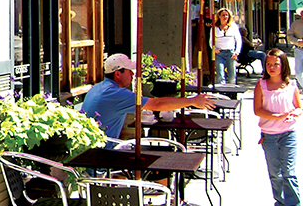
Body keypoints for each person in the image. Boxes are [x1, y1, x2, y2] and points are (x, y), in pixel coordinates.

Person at [80, 53, 215, 143]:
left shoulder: (98, 87)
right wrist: (192, 101)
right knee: (160, 169)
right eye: (129, 71)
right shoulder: (117, 94)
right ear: (118, 74)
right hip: (104, 153)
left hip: (93, 148)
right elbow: (157, 104)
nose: (133, 74)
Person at [253, 48, 302, 206]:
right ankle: (280, 205)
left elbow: (298, 107)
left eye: (276, 64)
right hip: (269, 136)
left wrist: (293, 114)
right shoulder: (262, 85)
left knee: (289, 172)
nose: (272, 67)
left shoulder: (291, 84)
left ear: (283, 65)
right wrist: (276, 116)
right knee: (275, 173)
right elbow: (257, 110)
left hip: (288, 134)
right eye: (269, 64)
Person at [211, 7, 242, 85]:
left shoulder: (233, 27)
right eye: (223, 15)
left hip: (230, 52)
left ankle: (231, 90)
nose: (225, 17)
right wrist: (214, 49)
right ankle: (220, 90)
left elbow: (238, 40)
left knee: (232, 73)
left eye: (227, 15)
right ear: (219, 16)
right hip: (219, 53)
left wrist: (237, 52)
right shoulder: (215, 28)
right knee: (220, 73)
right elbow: (211, 40)